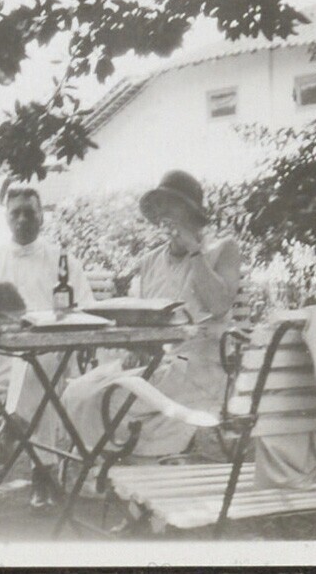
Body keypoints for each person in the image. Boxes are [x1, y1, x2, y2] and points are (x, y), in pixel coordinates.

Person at [62, 170, 242, 459]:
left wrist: (194, 250)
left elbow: (219, 305)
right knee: (77, 392)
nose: (163, 214)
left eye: (171, 204)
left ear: (191, 211)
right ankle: (109, 462)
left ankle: (114, 462)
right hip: (157, 363)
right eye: (159, 206)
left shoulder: (222, 249)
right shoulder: (151, 261)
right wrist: (140, 348)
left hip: (199, 370)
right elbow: (150, 321)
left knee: (106, 399)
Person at [0, 185, 95, 510]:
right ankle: (43, 473)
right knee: (37, 372)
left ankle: (12, 430)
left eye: (29, 213)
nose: (22, 219)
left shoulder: (63, 261)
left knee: (39, 363)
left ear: (42, 217)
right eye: (16, 213)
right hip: (2, 358)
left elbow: (87, 308)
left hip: (54, 355)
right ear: (6, 218)